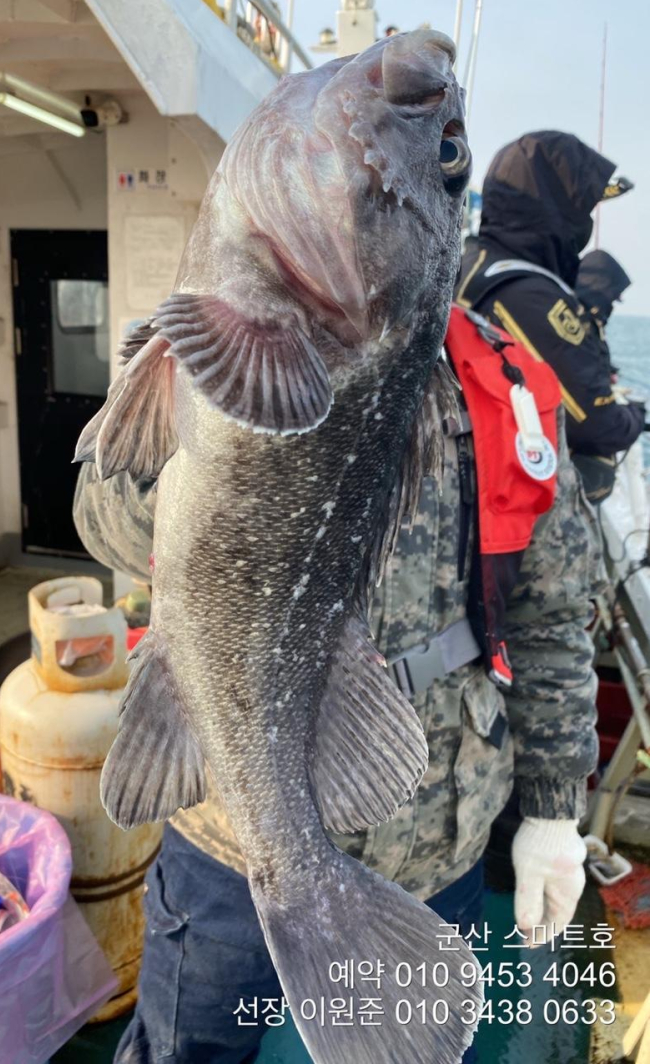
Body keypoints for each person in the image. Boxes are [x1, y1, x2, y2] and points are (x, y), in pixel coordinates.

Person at [73, 304, 602, 1064]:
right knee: (184, 1050)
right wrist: (180, 408)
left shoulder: (501, 382)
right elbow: (102, 522)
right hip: (229, 834)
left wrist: (552, 810)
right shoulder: (211, 340)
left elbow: (549, 615)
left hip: (432, 846)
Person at [456, 131, 645, 500]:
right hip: (506, 507)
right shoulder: (528, 294)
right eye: (582, 209)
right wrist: (635, 416)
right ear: (557, 210)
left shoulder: (471, 266)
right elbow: (598, 426)